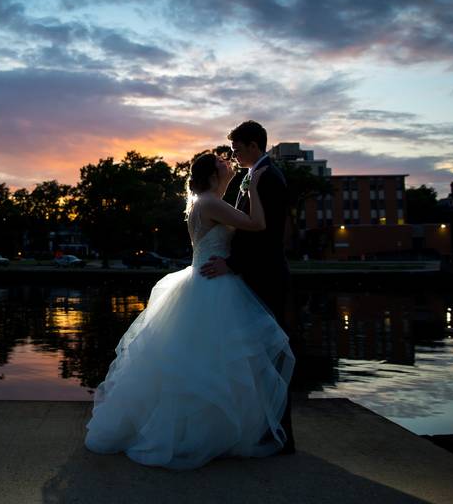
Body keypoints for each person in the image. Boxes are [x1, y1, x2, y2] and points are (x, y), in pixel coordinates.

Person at [84, 150, 295, 470]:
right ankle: (199, 435)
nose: (229, 165)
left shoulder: (202, 202)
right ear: (211, 174)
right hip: (213, 286)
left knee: (200, 363)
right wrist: (252, 188)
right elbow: (258, 223)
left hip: (203, 279)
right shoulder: (210, 202)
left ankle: (203, 430)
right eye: (223, 163)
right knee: (210, 363)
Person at [201, 120, 295, 453]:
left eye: (238, 149)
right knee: (257, 355)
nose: (234, 154)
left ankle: (278, 434)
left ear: (254, 145)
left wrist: (233, 264)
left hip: (264, 275)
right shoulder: (254, 176)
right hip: (253, 276)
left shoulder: (268, 177)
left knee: (269, 354)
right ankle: (264, 426)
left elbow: (265, 236)